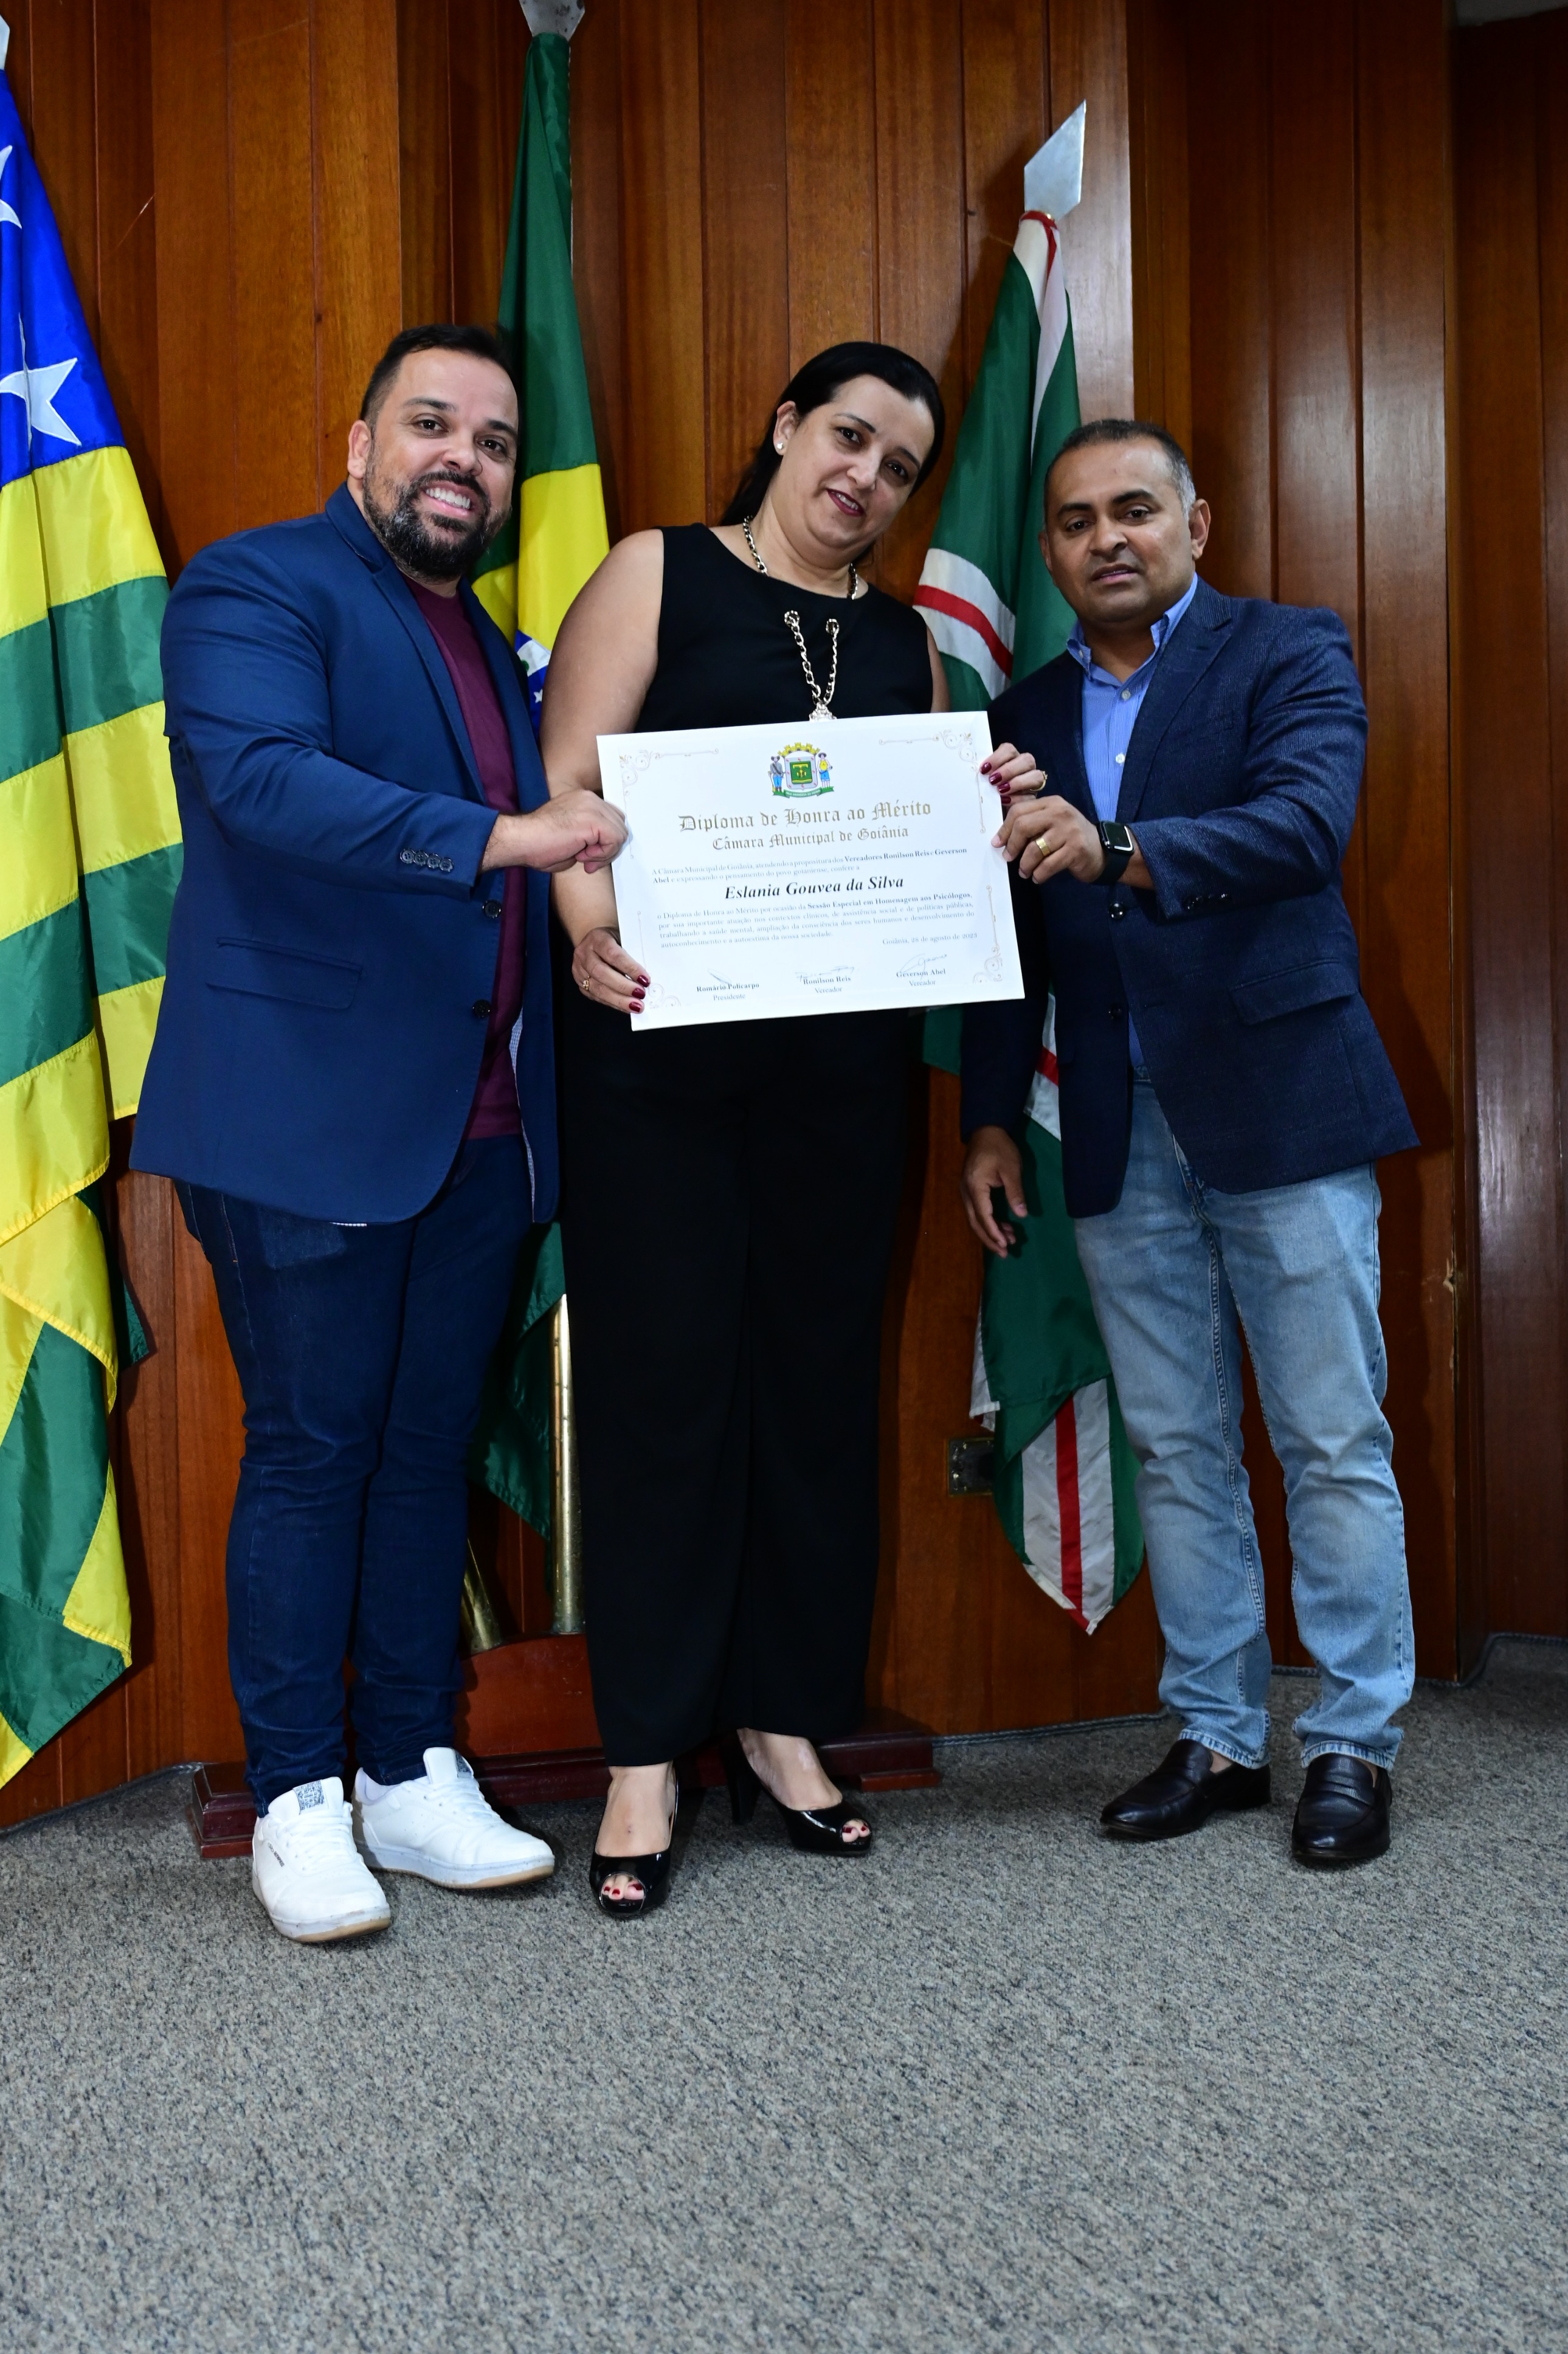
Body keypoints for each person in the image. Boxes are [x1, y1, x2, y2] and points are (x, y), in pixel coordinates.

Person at [132, 325, 626, 1942]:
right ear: (360, 447)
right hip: (302, 1116)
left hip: (479, 1127)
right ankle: (297, 1797)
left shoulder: (487, 639)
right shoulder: (255, 587)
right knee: (314, 1449)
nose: (463, 459)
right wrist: (507, 837)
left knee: (423, 1455)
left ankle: (411, 1768)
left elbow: (569, 832)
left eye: (493, 440)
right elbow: (265, 782)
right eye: (432, 425)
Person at [960, 418, 1417, 1869]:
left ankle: (1353, 1740)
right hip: (1112, 1121)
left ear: (1195, 525)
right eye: (1077, 519)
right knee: (1175, 1443)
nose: (1109, 538)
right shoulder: (1021, 709)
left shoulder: (1287, 652)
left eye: (1136, 510)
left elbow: (1303, 825)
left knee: (1331, 1434)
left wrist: (1120, 847)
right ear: (1050, 552)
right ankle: (1218, 1733)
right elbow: (1005, 937)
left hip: (1281, 1102)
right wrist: (990, 1114)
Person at [540, 342, 949, 1915]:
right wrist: (588, 928)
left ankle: (784, 1725)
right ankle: (646, 1756)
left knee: (816, 1393)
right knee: (662, 1392)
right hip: (655, 1061)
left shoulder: (907, 640)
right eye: (847, 435)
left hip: (840, 1081)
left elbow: (914, 839)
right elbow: (570, 782)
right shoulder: (658, 571)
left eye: (898, 465)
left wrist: (971, 812)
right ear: (784, 428)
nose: (865, 476)